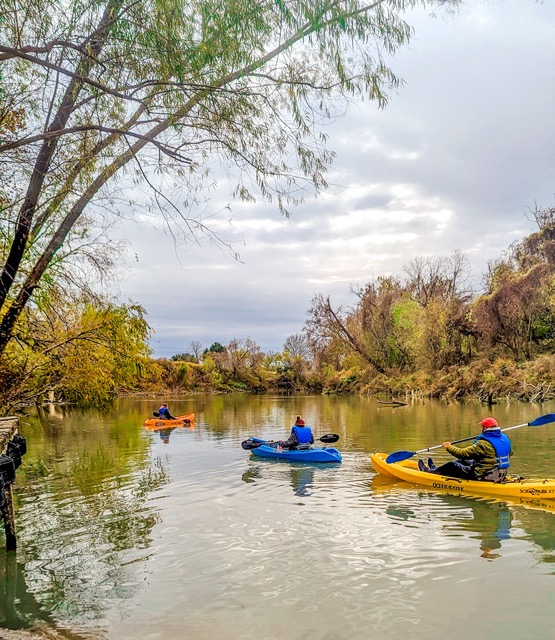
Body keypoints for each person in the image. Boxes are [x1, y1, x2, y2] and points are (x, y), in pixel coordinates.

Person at [418, 417, 512, 481]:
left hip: (483, 475)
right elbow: (510, 453)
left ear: (484, 428)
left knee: (452, 465)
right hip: (498, 472)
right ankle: (437, 470)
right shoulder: (505, 439)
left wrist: (448, 447)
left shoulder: (483, 444)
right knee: (463, 460)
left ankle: (429, 472)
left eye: (481, 427)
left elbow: (462, 453)